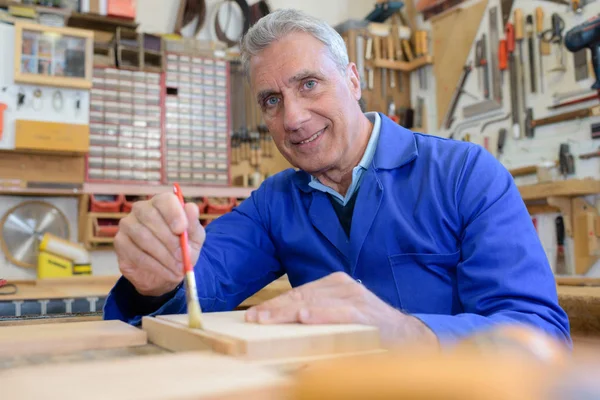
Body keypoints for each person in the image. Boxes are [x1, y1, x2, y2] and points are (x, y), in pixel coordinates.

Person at [103, 9, 571, 347]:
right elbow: (197, 289)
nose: (294, 117)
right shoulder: (274, 203)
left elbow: (539, 334)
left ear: (352, 80)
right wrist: (156, 274)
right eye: (271, 100)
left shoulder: (465, 175)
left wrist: (409, 333)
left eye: (309, 84)